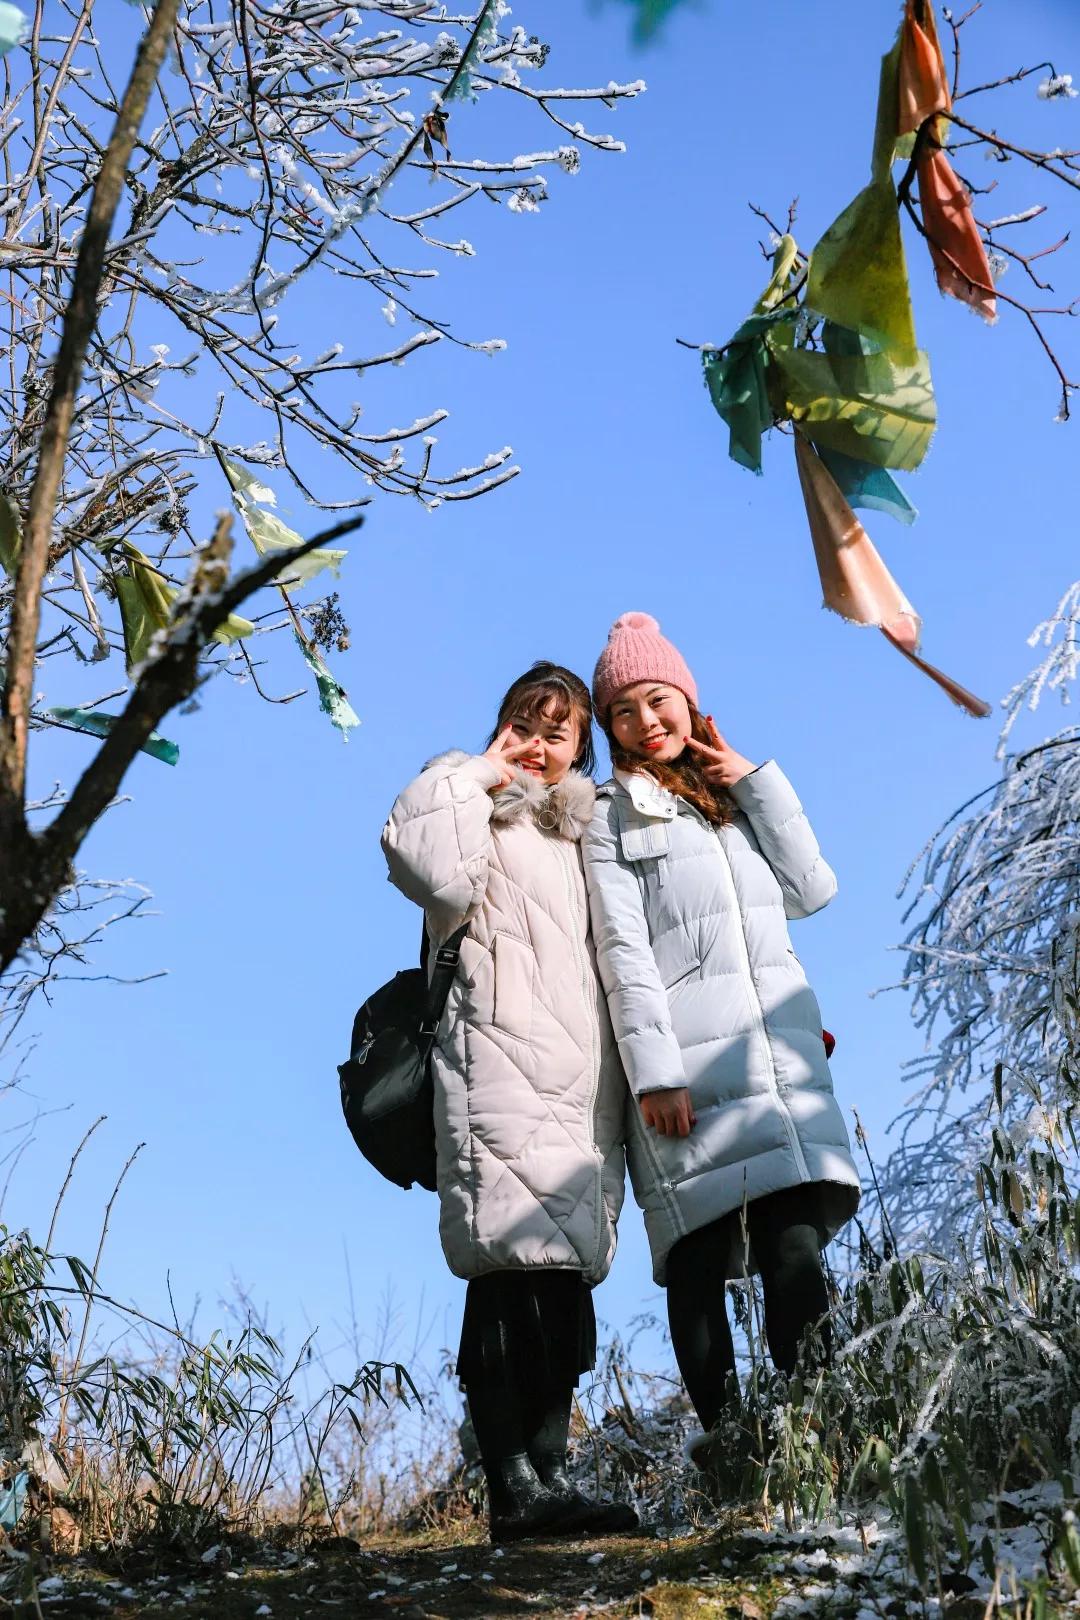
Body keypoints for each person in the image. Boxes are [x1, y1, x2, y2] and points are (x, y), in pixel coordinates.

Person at [581, 612, 861, 1455]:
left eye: (657, 700)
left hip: (776, 1061)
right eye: (622, 713)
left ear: (688, 700)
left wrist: (752, 779)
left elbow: (812, 890)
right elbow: (622, 951)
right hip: (682, 1080)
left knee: (797, 1248)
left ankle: (820, 1443)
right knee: (698, 1264)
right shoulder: (608, 818)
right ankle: (732, 1451)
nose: (644, 723)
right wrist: (656, 1074)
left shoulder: (736, 805)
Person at [381, 663, 636, 1541]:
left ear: (580, 751)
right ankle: (512, 1486)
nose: (537, 741)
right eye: (523, 722)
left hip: (585, 1088)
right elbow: (427, 871)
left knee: (565, 1295)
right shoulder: (470, 813)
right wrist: (473, 772)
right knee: (505, 1279)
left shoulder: (590, 835)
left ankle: (549, 1480)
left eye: (556, 730)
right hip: (495, 1070)